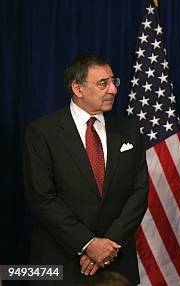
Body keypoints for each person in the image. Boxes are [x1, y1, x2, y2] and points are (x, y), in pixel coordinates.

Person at [23, 53, 149, 285]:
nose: (113, 90)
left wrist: (107, 246)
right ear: (77, 88)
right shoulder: (42, 132)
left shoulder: (129, 130)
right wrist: (88, 244)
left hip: (116, 261)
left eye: (113, 82)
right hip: (59, 261)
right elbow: (42, 198)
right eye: (103, 83)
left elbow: (139, 192)